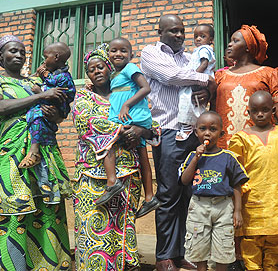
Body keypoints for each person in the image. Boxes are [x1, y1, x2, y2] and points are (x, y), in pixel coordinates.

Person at [0, 35, 71, 270]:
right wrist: (42, 96)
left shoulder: (35, 80)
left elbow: (60, 110)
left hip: (45, 152)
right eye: (13, 51)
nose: (20, 55)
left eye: (23, 52)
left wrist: (57, 115)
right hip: (13, 154)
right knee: (13, 209)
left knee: (48, 210)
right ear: (0, 56)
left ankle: (49, 265)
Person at [72, 46, 161, 270]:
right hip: (92, 176)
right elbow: (86, 122)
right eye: (90, 70)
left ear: (109, 67)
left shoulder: (127, 92)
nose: (96, 72)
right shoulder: (84, 96)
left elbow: (151, 123)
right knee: (92, 228)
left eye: (100, 66)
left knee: (123, 230)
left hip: (128, 174)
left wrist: (143, 131)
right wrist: (122, 130)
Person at [141, 14, 216, 270]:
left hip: (192, 132)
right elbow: (172, 77)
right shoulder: (150, 54)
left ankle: (180, 252)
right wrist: (206, 79)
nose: (180, 35)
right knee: (168, 194)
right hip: (168, 132)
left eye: (182, 31)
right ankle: (163, 256)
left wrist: (206, 89)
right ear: (159, 31)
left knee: (187, 194)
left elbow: (195, 83)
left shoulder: (189, 58)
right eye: (173, 31)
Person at [229, 91, 278, 271]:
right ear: (248, 112)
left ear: (273, 110)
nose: (260, 114)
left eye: (265, 110)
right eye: (255, 111)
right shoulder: (241, 138)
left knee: (277, 242)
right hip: (252, 200)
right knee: (251, 242)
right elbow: (235, 173)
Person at [92, 39, 160, 218]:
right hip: (133, 116)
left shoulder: (130, 68)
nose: (118, 54)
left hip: (132, 115)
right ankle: (149, 197)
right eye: (113, 50)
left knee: (107, 141)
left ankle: (112, 181)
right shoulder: (115, 74)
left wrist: (127, 105)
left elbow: (146, 88)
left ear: (131, 54)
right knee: (143, 156)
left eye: (123, 50)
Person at [178, 111, 248, 271]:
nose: (207, 133)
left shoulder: (228, 157)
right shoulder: (191, 156)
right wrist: (196, 158)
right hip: (199, 206)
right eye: (203, 128)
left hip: (223, 206)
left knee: (223, 245)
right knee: (198, 245)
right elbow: (184, 180)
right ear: (196, 132)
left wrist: (238, 211)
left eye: (213, 129)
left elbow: (237, 184)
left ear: (221, 133)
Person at [212, 25, 278, 150]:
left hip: (259, 144)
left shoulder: (269, 73)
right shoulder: (220, 75)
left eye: (235, 41)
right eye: (230, 41)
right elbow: (213, 106)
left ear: (248, 46)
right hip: (225, 144)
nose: (229, 44)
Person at [19, 42, 76, 168]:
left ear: (56, 57)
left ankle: (34, 151)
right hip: (48, 105)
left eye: (45, 58)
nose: (44, 62)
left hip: (57, 107)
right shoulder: (55, 74)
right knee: (35, 115)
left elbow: (54, 90)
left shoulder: (62, 76)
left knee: (37, 115)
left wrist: (41, 86)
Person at [176, 24, 216, 141]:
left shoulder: (204, 49)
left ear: (211, 40)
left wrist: (193, 77)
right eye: (196, 36)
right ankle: (194, 125)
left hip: (199, 79)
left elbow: (204, 64)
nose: (198, 39)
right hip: (199, 79)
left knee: (186, 99)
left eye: (202, 36)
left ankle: (187, 127)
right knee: (196, 104)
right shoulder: (198, 50)